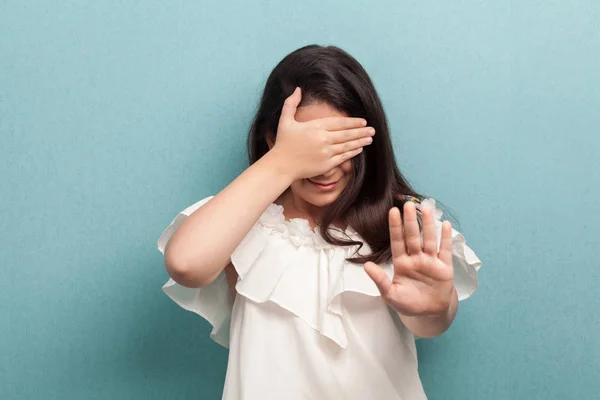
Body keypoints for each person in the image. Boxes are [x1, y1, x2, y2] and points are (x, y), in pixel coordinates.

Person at [157, 44, 482, 399]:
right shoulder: (244, 222)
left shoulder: (402, 224)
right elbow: (186, 264)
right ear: (272, 139)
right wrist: (283, 161)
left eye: (340, 144)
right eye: (311, 147)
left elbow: (430, 322)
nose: (325, 166)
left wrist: (435, 305)